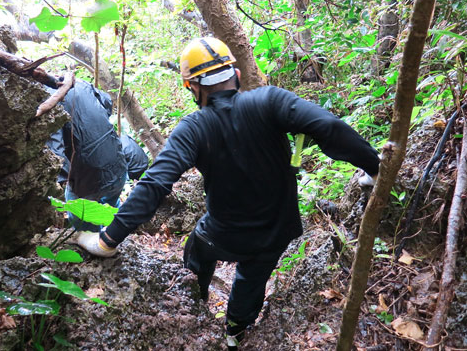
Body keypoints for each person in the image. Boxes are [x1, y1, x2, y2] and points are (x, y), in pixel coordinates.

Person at [76, 37, 380, 349]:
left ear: (192, 87)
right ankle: (234, 333)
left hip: (220, 235)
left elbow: (155, 183)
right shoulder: (270, 101)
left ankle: (196, 301)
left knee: (197, 252)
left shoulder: (193, 128)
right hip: (276, 231)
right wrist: (375, 168)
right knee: (252, 281)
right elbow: (327, 125)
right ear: (234, 73)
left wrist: (107, 239)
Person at [46, 79, 127, 232]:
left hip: (88, 179)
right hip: (118, 164)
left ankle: (99, 245)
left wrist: (59, 183)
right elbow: (107, 103)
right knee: (110, 207)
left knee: (85, 224)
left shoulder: (49, 102)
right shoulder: (80, 83)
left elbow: (56, 152)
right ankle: (117, 232)